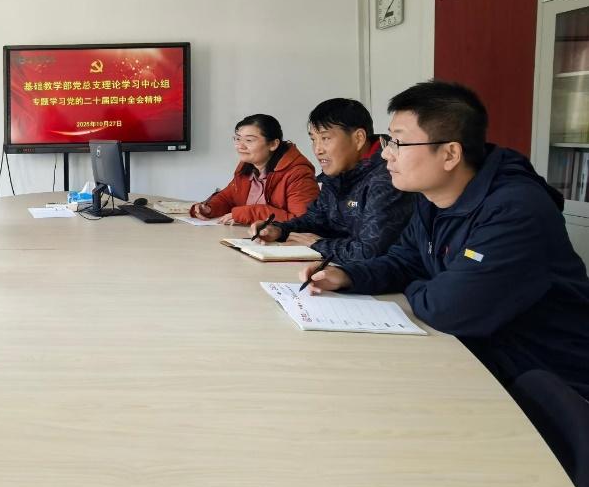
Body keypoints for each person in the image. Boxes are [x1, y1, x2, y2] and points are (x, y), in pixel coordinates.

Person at [301, 81, 589, 399]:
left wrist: (424, 285)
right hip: (479, 359)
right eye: (389, 140)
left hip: (550, 383)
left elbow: (449, 309)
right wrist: (348, 275)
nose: (385, 153)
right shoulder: (433, 198)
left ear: (450, 153)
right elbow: (404, 260)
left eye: (399, 142)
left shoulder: (516, 209)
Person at [252, 98, 413, 263]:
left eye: (325, 138)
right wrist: (279, 230)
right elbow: (316, 220)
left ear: (358, 138)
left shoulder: (388, 178)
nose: (317, 149)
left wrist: (318, 245)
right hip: (340, 268)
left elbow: (370, 252)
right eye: (313, 139)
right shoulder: (339, 171)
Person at [189, 114, 319, 225]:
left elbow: (304, 221)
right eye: (238, 138)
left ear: (273, 144)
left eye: (249, 140)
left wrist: (248, 213)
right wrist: (209, 208)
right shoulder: (247, 166)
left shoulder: (298, 174)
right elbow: (228, 198)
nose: (240, 146)